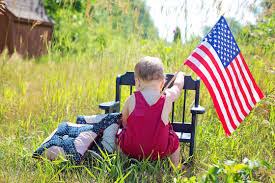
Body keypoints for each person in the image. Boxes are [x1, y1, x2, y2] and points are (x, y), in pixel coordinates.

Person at [118, 56, 185, 169]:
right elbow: (178, 87)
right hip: (159, 150)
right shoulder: (167, 97)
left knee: (121, 137)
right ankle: (176, 167)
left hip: (132, 149)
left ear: (138, 82)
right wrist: (180, 75)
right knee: (174, 139)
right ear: (162, 83)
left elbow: (124, 121)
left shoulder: (131, 99)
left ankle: (121, 164)